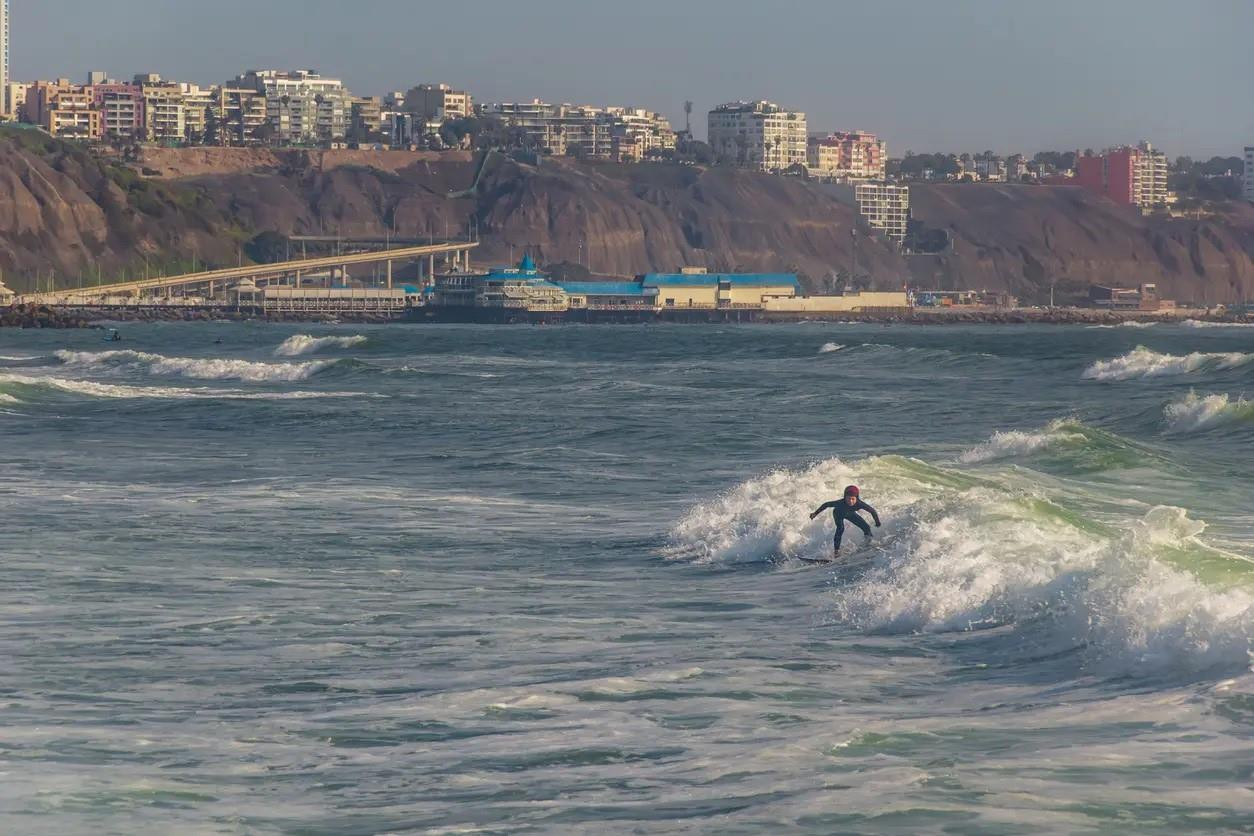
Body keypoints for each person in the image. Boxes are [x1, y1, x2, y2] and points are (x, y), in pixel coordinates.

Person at [809, 485, 881, 560]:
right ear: (845, 497)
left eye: (853, 499)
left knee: (866, 527)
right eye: (848, 499)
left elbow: (872, 511)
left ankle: (868, 543)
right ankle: (836, 552)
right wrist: (815, 513)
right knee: (840, 528)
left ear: (857, 498)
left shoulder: (859, 504)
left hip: (850, 514)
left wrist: (877, 522)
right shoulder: (840, 503)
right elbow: (826, 505)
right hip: (838, 514)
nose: (850, 501)